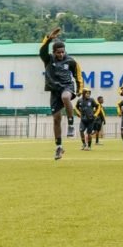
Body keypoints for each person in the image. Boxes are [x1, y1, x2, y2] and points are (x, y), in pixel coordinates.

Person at [40, 27, 83, 161]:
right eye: (58, 52)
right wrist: (48, 39)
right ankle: (59, 147)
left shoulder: (70, 61)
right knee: (56, 119)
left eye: (63, 52)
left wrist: (80, 88)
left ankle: (71, 124)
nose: (61, 54)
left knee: (66, 97)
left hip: (67, 87)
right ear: (54, 52)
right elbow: (42, 50)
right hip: (54, 90)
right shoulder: (48, 59)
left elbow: (78, 75)